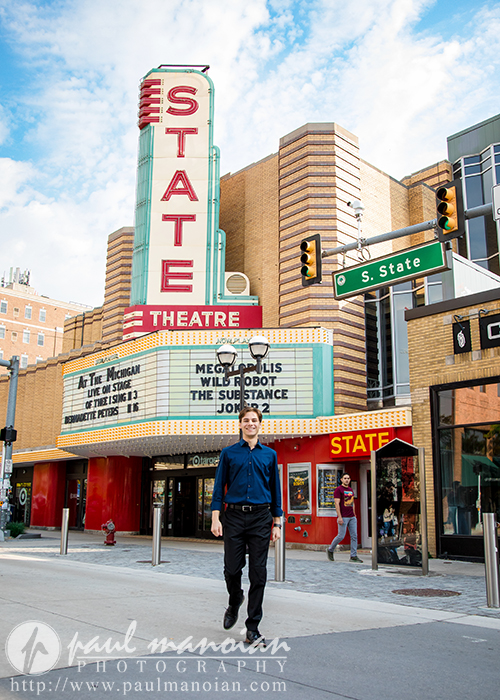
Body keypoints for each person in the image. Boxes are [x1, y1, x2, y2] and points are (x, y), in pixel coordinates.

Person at [211, 406, 282, 647]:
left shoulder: (269, 455)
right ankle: (235, 600)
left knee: (258, 573)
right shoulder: (229, 453)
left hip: (261, 518)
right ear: (240, 424)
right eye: (246, 420)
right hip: (234, 517)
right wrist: (215, 517)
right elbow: (219, 486)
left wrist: (277, 522)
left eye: (254, 420)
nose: (250, 423)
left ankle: (252, 627)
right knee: (232, 569)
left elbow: (276, 491)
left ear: (260, 424)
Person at [326, 473, 362, 562]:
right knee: (341, 536)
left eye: (348, 478)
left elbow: (352, 502)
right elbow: (337, 504)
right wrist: (339, 517)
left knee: (354, 536)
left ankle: (353, 556)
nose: (347, 480)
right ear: (341, 479)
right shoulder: (338, 490)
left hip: (352, 517)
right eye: (345, 478)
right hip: (343, 516)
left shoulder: (350, 490)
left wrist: (354, 513)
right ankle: (330, 549)